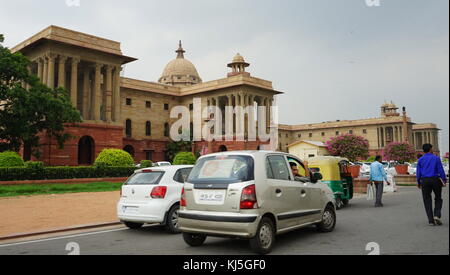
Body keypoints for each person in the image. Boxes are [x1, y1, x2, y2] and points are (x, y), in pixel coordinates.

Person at [416, 144, 447, 226]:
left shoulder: (420, 160)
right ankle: (436, 215)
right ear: (430, 149)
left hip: (425, 181)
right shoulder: (436, 158)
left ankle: (431, 221)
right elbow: (441, 170)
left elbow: (418, 173)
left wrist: (418, 182)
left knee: (427, 200)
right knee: (438, 198)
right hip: (435, 180)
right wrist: (444, 180)